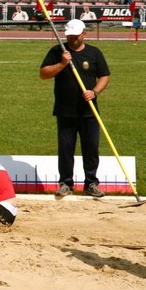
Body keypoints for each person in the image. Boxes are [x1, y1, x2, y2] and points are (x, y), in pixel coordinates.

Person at [39, 19, 110, 198]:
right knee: (65, 149)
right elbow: (43, 74)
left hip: (89, 111)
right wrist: (62, 64)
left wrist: (94, 92)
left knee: (91, 148)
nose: (72, 39)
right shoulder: (58, 51)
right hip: (65, 110)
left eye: (76, 35)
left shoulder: (94, 53)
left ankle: (91, 183)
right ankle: (65, 183)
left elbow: (104, 76)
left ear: (84, 33)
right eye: (70, 35)